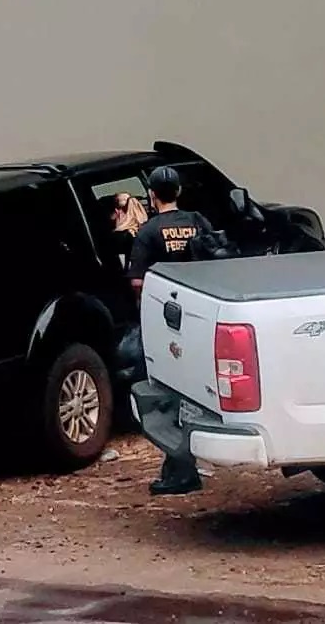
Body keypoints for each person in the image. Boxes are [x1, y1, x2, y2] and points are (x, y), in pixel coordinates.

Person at [126, 166, 211, 496]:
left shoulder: (148, 232)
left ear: (152, 195)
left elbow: (137, 280)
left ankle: (180, 469)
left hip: (168, 322)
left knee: (167, 394)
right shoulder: (197, 221)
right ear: (178, 191)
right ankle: (188, 461)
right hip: (202, 317)